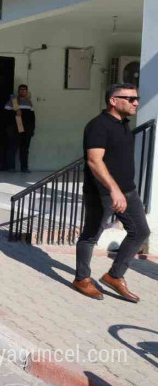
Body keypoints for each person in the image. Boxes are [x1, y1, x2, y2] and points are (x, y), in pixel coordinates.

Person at [72, 83, 150, 303]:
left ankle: (114, 276)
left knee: (141, 231)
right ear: (113, 101)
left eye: (137, 98)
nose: (136, 102)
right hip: (102, 192)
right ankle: (81, 279)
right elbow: (94, 162)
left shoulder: (123, 124)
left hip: (128, 190)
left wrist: (123, 190)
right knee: (90, 235)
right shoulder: (98, 126)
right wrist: (114, 190)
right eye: (130, 99)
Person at [4, 84, 36, 173]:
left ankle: (24, 168)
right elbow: (5, 113)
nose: (23, 91)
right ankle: (11, 167)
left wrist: (32, 129)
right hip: (15, 128)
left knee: (25, 149)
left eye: (24, 90)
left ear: (26, 91)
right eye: (21, 89)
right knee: (13, 148)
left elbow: (32, 117)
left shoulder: (29, 102)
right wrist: (15, 113)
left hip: (26, 129)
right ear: (18, 91)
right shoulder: (13, 101)